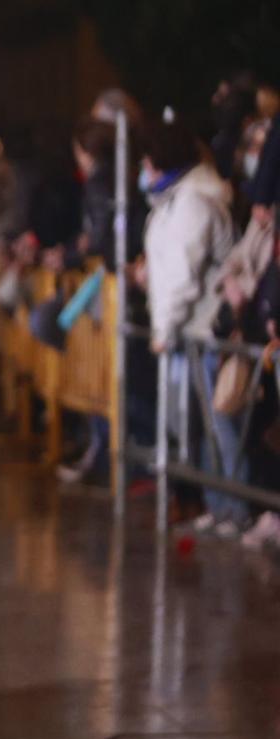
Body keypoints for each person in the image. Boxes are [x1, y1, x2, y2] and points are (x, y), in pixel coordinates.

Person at [140, 116, 244, 538]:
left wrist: (164, 328)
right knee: (200, 425)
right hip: (191, 329)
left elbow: (182, 274)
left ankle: (233, 508)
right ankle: (217, 505)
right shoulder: (178, 201)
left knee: (221, 424)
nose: (141, 170)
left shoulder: (193, 204)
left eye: (145, 160)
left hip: (206, 329)